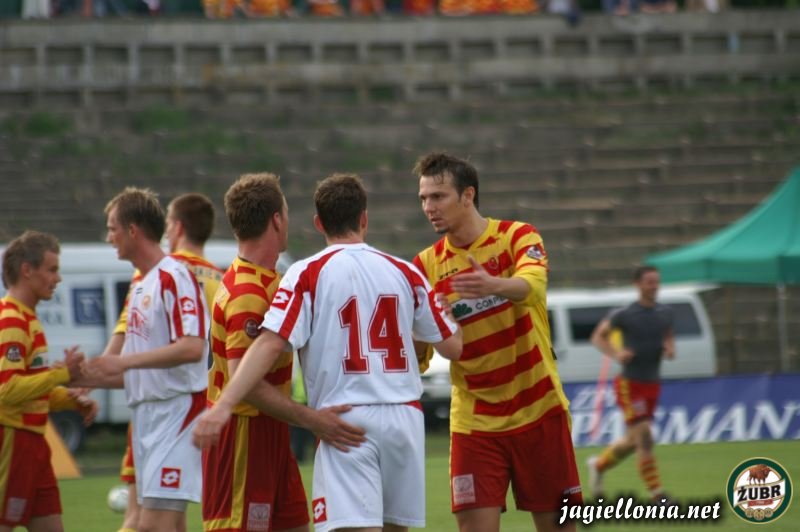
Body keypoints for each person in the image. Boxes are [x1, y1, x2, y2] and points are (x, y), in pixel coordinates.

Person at [194, 173, 462, 532]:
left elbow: (270, 342)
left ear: (319, 223)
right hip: (405, 417)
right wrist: (443, 313)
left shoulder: (305, 273)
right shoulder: (406, 271)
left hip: (346, 418)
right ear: (364, 218)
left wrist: (222, 406)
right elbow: (452, 347)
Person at [412, 152, 581, 532]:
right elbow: (418, 358)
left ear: (468, 195)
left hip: (539, 409)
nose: (428, 208)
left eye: (438, 196)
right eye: (423, 198)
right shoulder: (424, 267)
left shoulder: (517, 236)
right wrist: (426, 327)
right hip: (475, 422)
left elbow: (533, 287)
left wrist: (493, 285)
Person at [201, 173, 336, 531]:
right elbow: (244, 383)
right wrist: (312, 420)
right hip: (244, 434)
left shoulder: (269, 280)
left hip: (272, 430)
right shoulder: (246, 291)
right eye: (286, 213)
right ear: (276, 219)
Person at [81, 187, 209, 532]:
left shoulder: (174, 276)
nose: (109, 238)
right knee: (167, 524)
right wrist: (79, 378)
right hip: (147, 417)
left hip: (176, 413)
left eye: (112, 229)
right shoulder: (141, 285)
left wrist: (123, 363)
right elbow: (136, 370)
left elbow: (192, 347)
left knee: (151, 525)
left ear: (133, 230)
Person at [0, 230, 98, 532]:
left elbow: (30, 388)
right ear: (27, 270)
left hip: (35, 443)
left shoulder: (28, 319)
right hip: (12, 440)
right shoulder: (11, 320)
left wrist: (70, 400)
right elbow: (6, 390)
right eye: (52, 269)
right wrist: (62, 374)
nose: (58, 278)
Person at [587, 265, 675, 502]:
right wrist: (617, 354)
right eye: (649, 282)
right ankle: (658, 495)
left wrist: (669, 347)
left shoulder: (665, 313)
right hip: (630, 384)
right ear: (638, 284)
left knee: (632, 441)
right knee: (645, 437)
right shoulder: (625, 314)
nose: (654, 286)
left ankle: (599, 466)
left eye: (656, 281)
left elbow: (667, 334)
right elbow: (598, 336)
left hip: (652, 384)